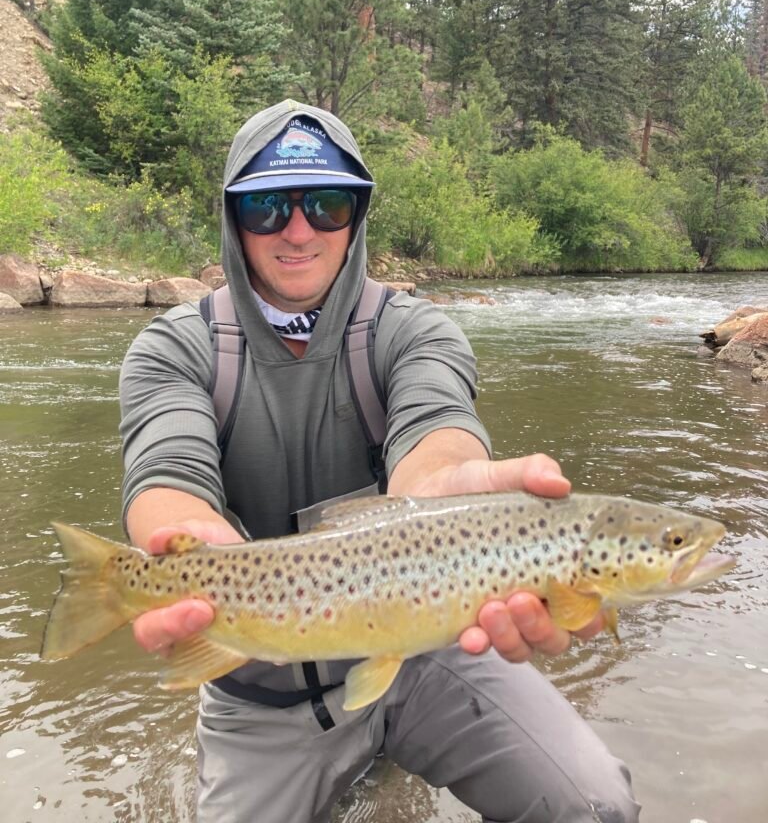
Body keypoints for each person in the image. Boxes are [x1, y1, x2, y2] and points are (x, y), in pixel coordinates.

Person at [119, 100, 640, 823]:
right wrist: (180, 543)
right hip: (258, 686)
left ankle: (390, 749)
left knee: (594, 805)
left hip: (428, 653)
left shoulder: (414, 330)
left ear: (357, 215)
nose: (298, 230)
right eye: (267, 206)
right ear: (234, 219)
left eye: (327, 204)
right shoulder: (174, 349)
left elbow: (438, 432)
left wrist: (439, 493)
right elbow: (165, 471)